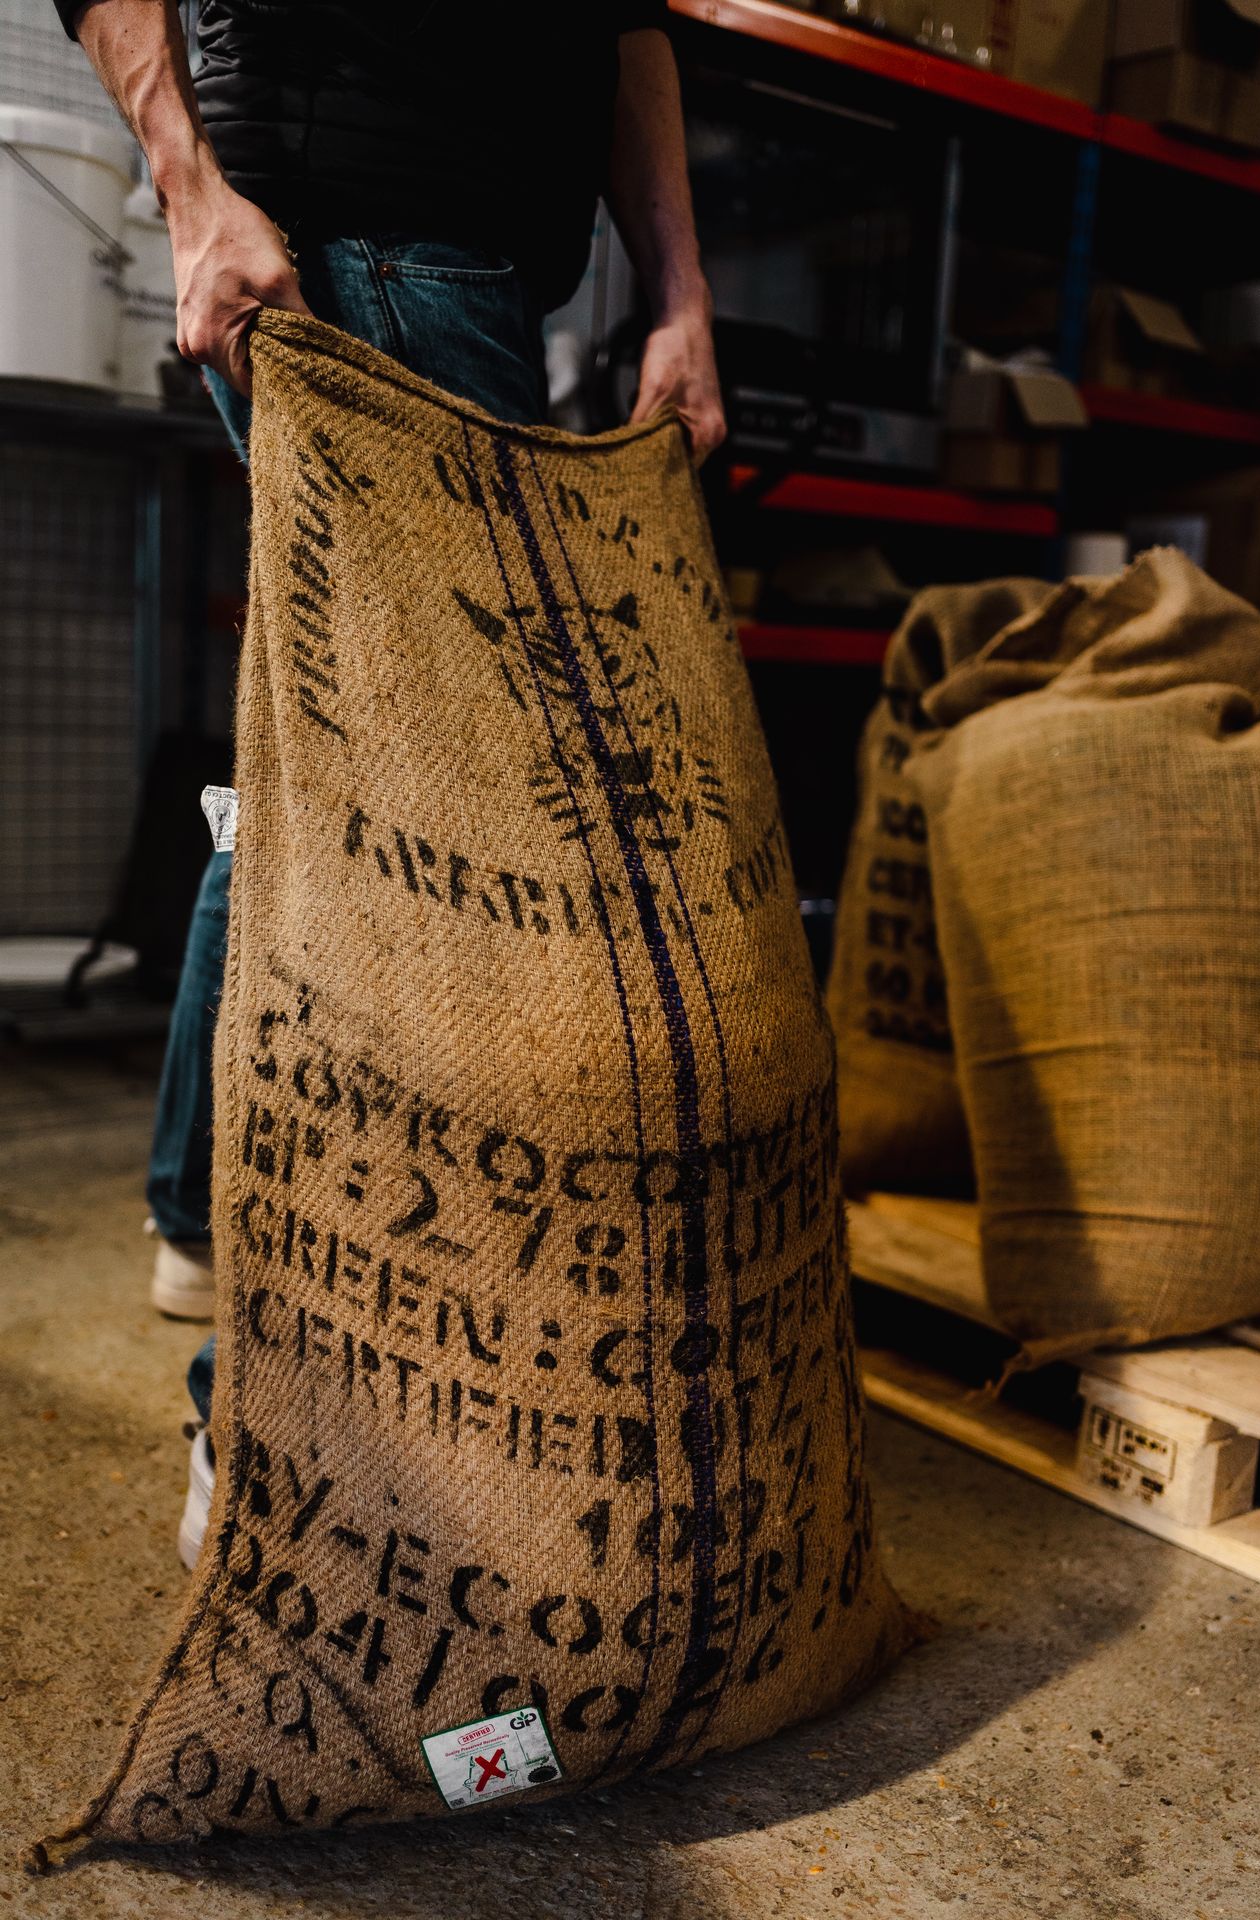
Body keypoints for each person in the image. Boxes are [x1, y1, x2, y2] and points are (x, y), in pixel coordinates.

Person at [57, 0, 726, 1558]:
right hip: (361, 255)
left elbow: (624, 21)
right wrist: (195, 190)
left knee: (326, 781)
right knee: (423, 821)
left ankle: (192, 1219)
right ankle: (280, 1429)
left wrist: (679, 297)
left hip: (459, 264)